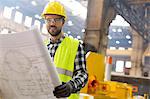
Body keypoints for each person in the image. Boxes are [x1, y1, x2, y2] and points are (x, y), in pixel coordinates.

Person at [41, 1, 88, 99]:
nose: (52, 23)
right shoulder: (42, 47)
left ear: (63, 22)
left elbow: (83, 74)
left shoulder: (75, 45)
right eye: (48, 20)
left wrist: (71, 86)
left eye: (56, 19)